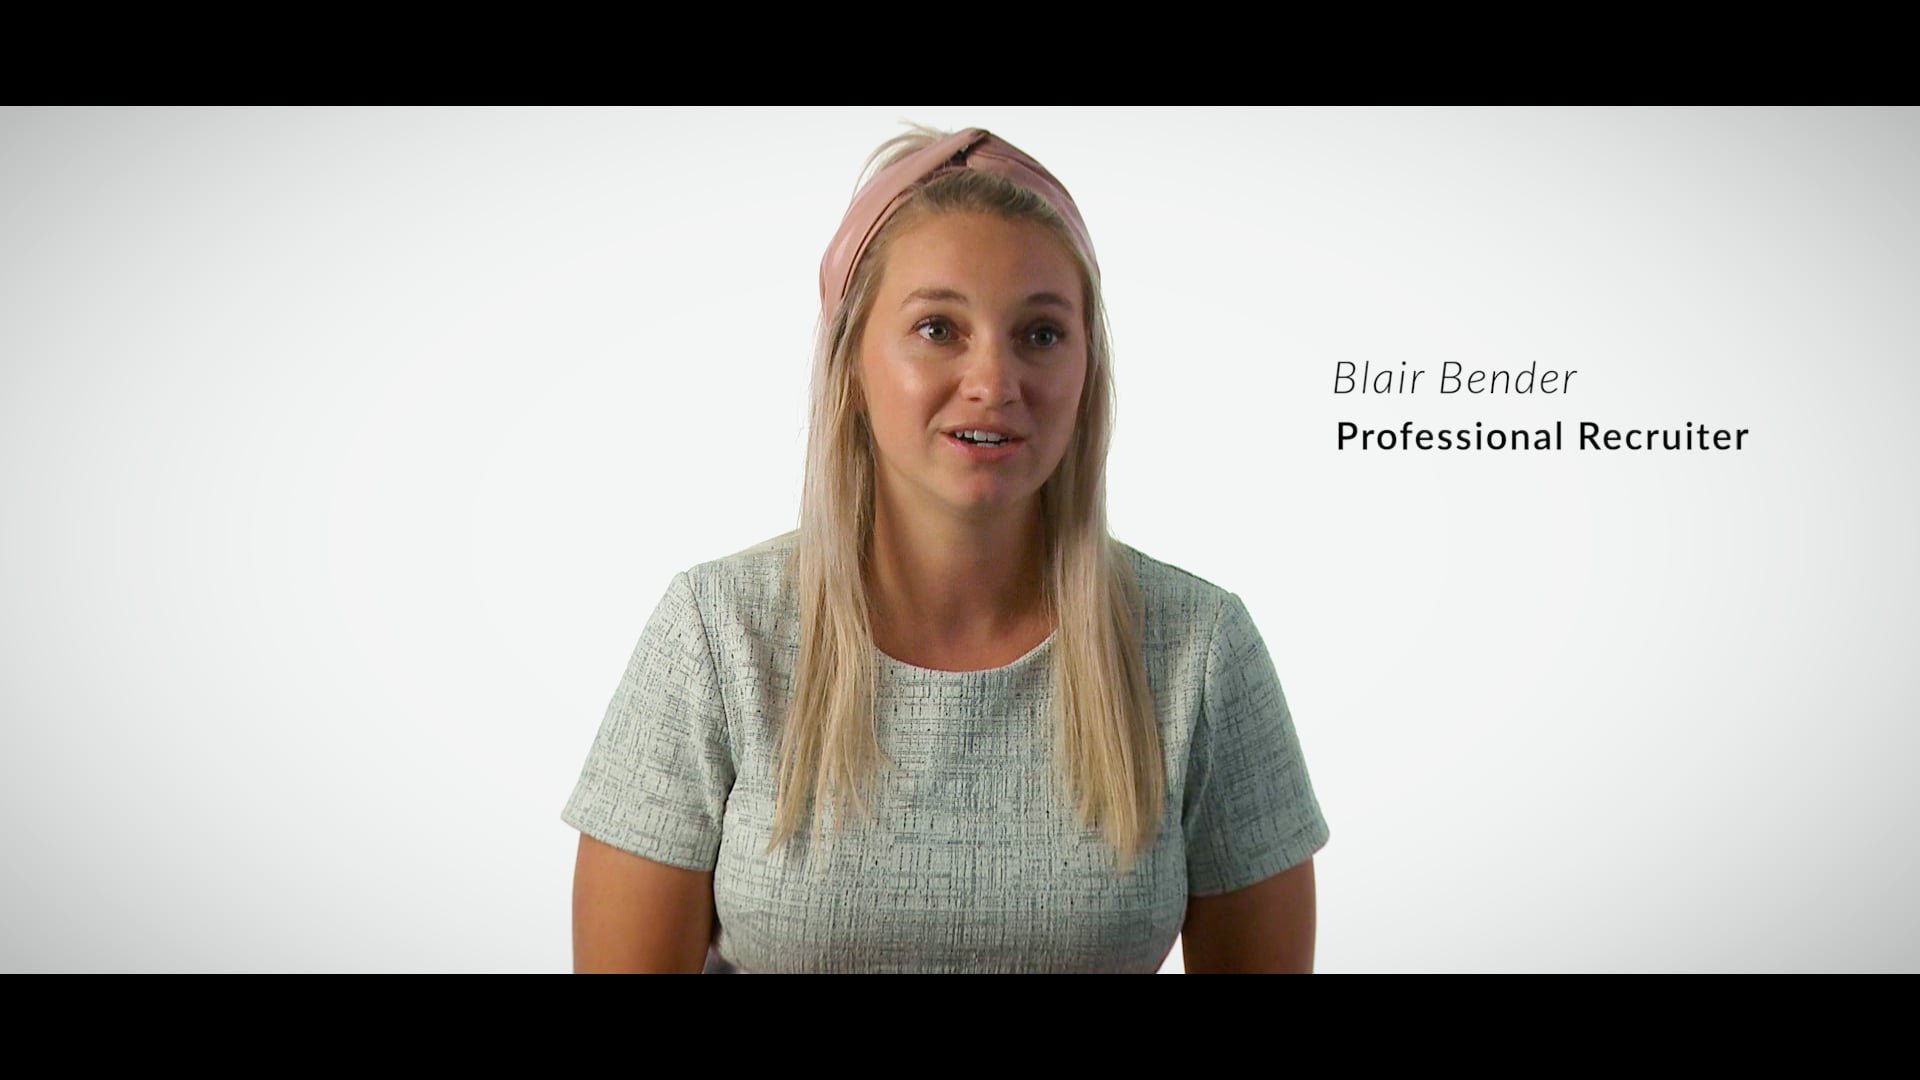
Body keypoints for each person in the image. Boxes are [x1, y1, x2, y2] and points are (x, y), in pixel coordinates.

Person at [562, 123, 1331, 973]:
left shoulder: (1200, 650)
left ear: (1087, 367)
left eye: (1040, 333)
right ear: (851, 359)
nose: (994, 383)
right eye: (938, 328)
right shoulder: (715, 635)